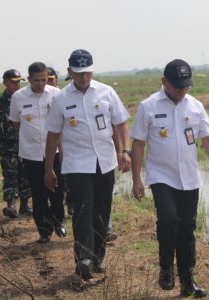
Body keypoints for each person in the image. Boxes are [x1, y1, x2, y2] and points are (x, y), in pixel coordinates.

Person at [131, 59, 209, 298]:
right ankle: (166, 268)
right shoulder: (148, 106)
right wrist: (136, 179)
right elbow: (139, 143)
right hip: (161, 176)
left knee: (187, 228)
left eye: (186, 86)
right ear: (164, 82)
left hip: (189, 177)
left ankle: (187, 279)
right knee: (167, 220)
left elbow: (207, 139)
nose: (182, 90)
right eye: (177, 86)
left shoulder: (195, 106)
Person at [44, 49, 131, 284]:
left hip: (104, 162)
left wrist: (124, 151)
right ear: (69, 72)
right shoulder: (60, 99)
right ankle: (83, 257)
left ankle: (98, 256)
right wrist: (49, 169)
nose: (83, 78)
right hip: (76, 164)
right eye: (78, 74)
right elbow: (52, 136)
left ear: (92, 70)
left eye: (87, 73)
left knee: (101, 211)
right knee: (83, 209)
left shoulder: (106, 92)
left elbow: (121, 123)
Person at [9, 62, 65, 243]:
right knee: (38, 191)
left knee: (56, 189)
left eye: (44, 80)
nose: (41, 84)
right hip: (31, 153)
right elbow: (16, 123)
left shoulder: (56, 94)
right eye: (36, 80)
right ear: (29, 79)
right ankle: (43, 229)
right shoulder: (18, 97)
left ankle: (58, 222)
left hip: (55, 151)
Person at [0, 69, 32, 218]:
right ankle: (11, 205)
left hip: (26, 143)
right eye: (13, 82)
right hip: (7, 145)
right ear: (5, 82)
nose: (16, 85)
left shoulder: (25, 98)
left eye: (18, 82)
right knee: (10, 175)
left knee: (26, 174)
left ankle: (25, 206)